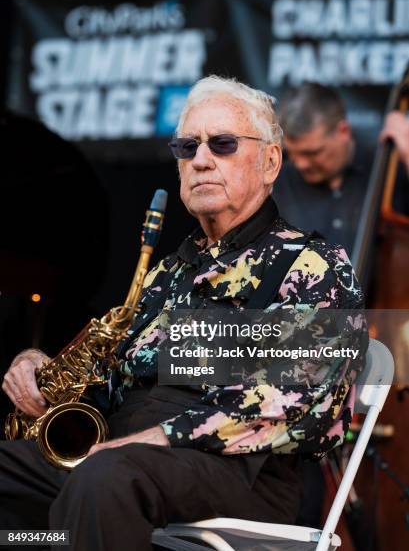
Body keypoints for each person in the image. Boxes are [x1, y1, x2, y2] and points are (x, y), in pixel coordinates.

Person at [0, 76, 367, 551]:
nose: (200, 159)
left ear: (270, 161)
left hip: (240, 472)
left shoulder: (315, 265)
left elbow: (304, 407)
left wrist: (156, 439)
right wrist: (40, 369)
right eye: (187, 146)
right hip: (123, 458)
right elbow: (110, 384)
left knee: (104, 478)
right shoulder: (168, 272)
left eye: (223, 144)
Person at [274, 83, 409, 256]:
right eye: (291, 153)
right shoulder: (277, 182)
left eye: (312, 153)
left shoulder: (390, 172)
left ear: (343, 131)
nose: (300, 164)